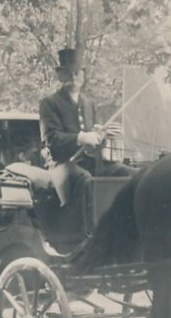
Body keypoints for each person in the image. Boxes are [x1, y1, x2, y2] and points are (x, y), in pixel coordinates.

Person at [38, 47, 128, 205]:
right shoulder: (49, 103)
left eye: (77, 72)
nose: (73, 77)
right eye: (68, 73)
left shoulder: (89, 104)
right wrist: (81, 137)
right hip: (63, 165)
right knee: (87, 182)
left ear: (83, 76)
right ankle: (92, 228)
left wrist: (102, 135)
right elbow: (52, 139)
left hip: (93, 164)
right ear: (60, 75)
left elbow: (95, 144)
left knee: (128, 174)